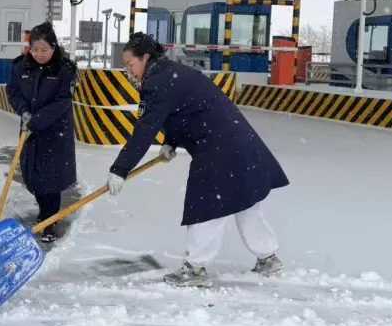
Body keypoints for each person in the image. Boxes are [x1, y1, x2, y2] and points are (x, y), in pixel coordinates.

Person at [106, 33, 288, 286]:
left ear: (145, 58)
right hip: (237, 141)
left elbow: (145, 129)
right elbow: (184, 111)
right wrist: (171, 141)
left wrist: (120, 169)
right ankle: (268, 257)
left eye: (129, 64)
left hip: (218, 148)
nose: (128, 71)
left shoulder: (158, 81)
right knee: (244, 200)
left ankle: (195, 269)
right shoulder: (170, 72)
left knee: (207, 206)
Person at [5, 22, 77, 243]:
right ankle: (45, 211)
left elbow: (62, 101)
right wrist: (24, 111)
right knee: (32, 176)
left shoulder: (66, 69)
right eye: (35, 49)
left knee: (51, 179)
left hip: (55, 132)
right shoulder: (21, 67)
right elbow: (13, 91)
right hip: (30, 131)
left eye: (44, 49)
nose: (39, 54)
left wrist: (37, 120)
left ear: (54, 47)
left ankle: (49, 221)